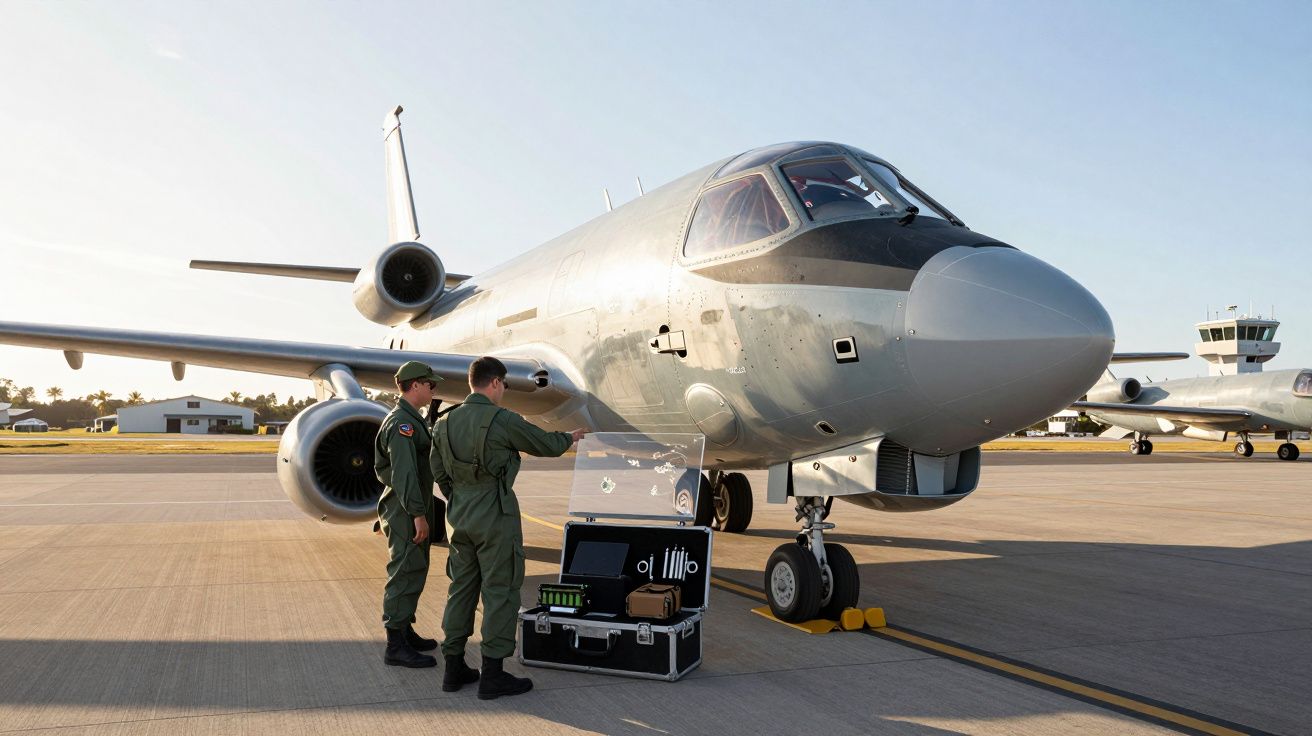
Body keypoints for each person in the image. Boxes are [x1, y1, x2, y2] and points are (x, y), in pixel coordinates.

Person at [432, 356, 587, 699]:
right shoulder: (501, 419)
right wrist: (570, 438)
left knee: (461, 589)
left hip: (458, 516)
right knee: (500, 590)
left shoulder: (445, 422)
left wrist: (459, 497)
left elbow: (437, 469)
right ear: (496, 383)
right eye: (503, 386)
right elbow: (544, 444)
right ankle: (492, 675)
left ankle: (453, 669)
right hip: (494, 514)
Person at [374, 360, 444, 668]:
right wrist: (418, 514)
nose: (433, 389)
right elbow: (403, 473)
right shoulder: (401, 423)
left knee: (415, 568)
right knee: (403, 572)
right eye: (431, 384)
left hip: (412, 504)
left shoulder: (411, 419)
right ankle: (395, 646)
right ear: (415, 385)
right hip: (405, 508)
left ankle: (405, 630)